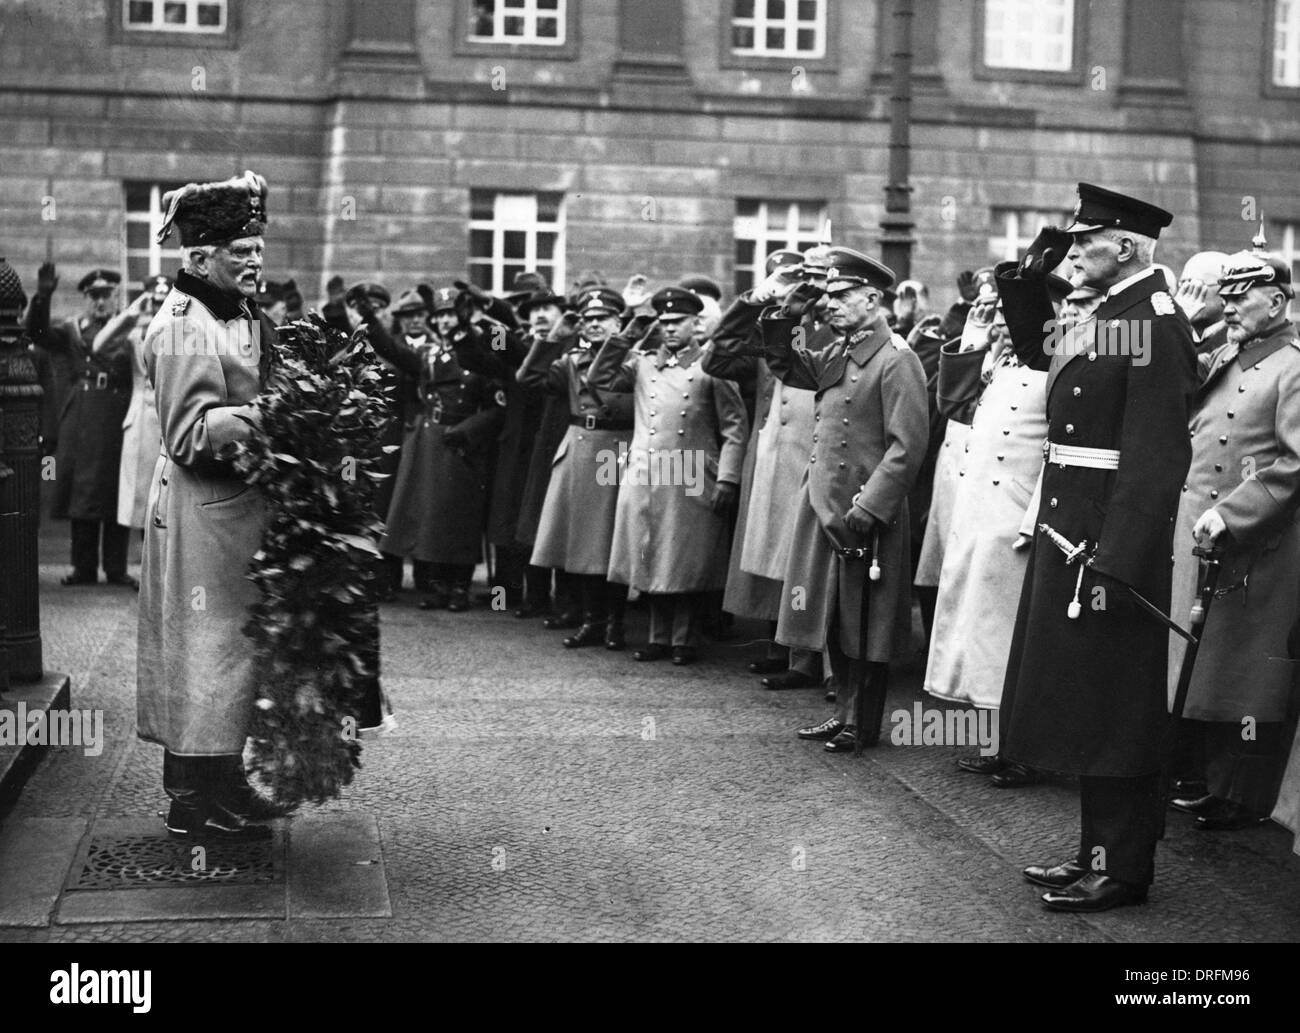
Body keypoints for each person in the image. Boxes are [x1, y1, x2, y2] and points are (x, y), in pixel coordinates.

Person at [999, 184, 1198, 912]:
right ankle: (1096, 852)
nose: (1076, 250)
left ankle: (1123, 868)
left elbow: (1154, 459)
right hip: (1072, 530)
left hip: (1107, 544)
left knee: (1118, 707)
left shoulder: (1155, 320)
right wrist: (1030, 274)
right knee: (1088, 701)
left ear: (1128, 245)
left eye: (1086, 241)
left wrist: (1118, 556)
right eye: (1073, 243)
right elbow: (1037, 351)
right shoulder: (1113, 312)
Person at [138, 169, 278, 840]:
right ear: (198, 257)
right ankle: (192, 801)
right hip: (204, 513)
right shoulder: (183, 326)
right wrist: (276, 415)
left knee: (228, 653)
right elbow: (192, 435)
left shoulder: (232, 308)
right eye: (239, 251)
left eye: (257, 247)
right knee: (205, 652)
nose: (254, 261)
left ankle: (222, 784)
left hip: (226, 514)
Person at [764, 248, 929, 752]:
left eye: (841, 296)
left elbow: (908, 446)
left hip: (864, 512)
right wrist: (789, 311)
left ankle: (864, 722)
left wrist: (871, 506)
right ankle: (844, 713)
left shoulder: (897, 359)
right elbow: (784, 362)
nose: (830, 305)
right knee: (836, 614)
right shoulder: (840, 352)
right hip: (826, 507)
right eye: (827, 296)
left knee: (868, 623)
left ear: (873, 299)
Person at [1167, 233, 1300, 831]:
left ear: (1276, 302)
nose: (1229, 308)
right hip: (1202, 532)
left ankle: (1239, 794)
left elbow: (1295, 462)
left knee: (1246, 672)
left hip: (1254, 540)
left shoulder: (1293, 366)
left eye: (1241, 298)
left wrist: (1236, 512)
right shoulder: (1227, 355)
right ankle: (1208, 780)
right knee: (1207, 663)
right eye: (1225, 297)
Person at [590, 286, 749, 664]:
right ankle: (657, 637)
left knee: (684, 558)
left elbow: (734, 427)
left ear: (695, 324)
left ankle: (684, 639)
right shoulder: (643, 361)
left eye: (678, 322)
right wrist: (630, 330)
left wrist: (727, 478)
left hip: (692, 468)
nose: (670, 329)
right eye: (664, 322)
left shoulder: (712, 364)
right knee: (650, 552)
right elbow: (599, 377)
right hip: (646, 469)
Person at [703, 250, 826, 690]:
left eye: (816, 279)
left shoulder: (833, 331)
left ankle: (809, 655)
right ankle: (782, 643)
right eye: (801, 279)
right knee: (774, 547)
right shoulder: (771, 325)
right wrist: (755, 300)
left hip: (814, 451)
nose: (807, 289)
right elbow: (716, 360)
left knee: (807, 554)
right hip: (773, 447)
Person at [362, 285, 507, 612]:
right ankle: (440, 587)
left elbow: (498, 405)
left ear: (463, 316)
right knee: (434, 514)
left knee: (461, 516)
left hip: (465, 440)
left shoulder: (482, 351)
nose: (444, 322)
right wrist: (370, 317)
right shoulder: (428, 354)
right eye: (439, 316)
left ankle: (460, 588)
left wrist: (468, 431)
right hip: (433, 438)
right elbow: (395, 352)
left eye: (450, 315)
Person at [520, 287, 634, 650]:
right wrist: (554, 337)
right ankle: (591, 620)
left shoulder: (632, 358)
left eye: (603, 319)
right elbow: (528, 380)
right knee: (581, 539)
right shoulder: (570, 359)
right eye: (589, 319)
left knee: (609, 540)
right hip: (578, 447)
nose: (595, 325)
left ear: (619, 321)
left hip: (615, 447)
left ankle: (615, 623)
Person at [27, 266, 136, 588]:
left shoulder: (128, 332)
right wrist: (43, 297)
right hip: (83, 415)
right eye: (95, 296)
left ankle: (116, 568)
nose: (101, 303)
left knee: (117, 488)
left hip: (117, 413)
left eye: (107, 296)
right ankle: (83, 567)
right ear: (86, 299)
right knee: (82, 491)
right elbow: (38, 334)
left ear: (117, 297)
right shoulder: (72, 330)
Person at [90, 274, 171, 535]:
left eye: (164, 303)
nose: (159, 309)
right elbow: (99, 346)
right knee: (140, 501)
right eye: (154, 302)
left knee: (168, 503)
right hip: (140, 424)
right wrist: (131, 312)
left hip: (171, 423)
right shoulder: (135, 334)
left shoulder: (183, 334)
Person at [1175, 251, 1231, 354]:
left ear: (1225, 290)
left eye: (1196, 284)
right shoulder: (1175, 333)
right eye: (1182, 283)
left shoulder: (1234, 339)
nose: (1185, 291)